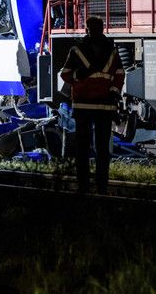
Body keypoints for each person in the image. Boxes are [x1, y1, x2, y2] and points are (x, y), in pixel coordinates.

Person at [59, 16, 125, 194]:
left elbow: (65, 75)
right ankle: (101, 186)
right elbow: (120, 74)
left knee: (82, 149)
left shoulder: (77, 50)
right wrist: (114, 93)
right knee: (102, 150)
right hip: (105, 106)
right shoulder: (112, 50)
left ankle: (84, 185)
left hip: (83, 106)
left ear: (87, 29)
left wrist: (78, 75)